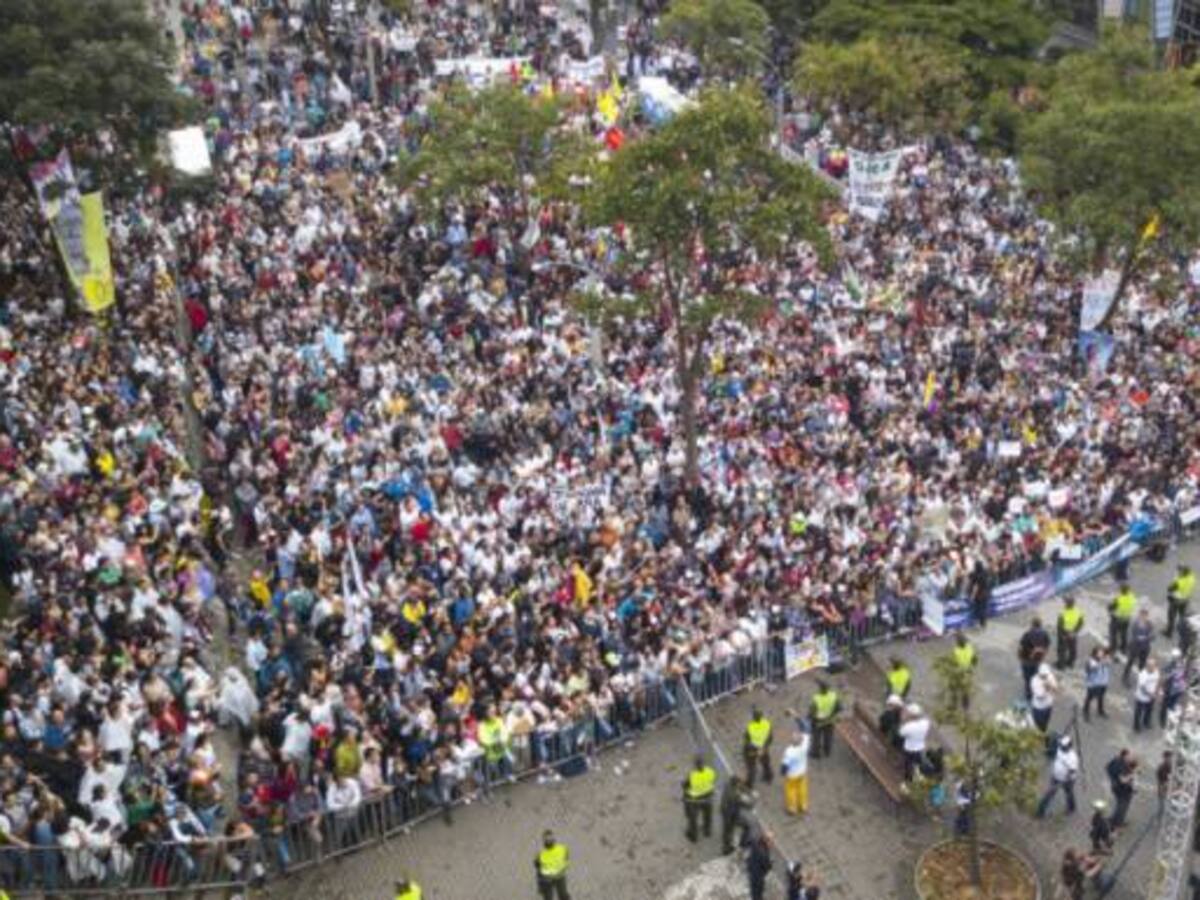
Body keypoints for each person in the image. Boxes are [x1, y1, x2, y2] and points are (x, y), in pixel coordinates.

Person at [1035, 736, 1079, 818]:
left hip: (1066, 780)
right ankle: (1041, 812)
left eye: (1064, 747)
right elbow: (1055, 738)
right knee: (1053, 794)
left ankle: (1071, 807)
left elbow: (1072, 771)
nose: (1062, 747)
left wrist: (1064, 780)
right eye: (1062, 746)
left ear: (1069, 747)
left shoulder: (1072, 757)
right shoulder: (1059, 748)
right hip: (1056, 777)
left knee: (1067, 793)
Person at [682, 755, 716, 843]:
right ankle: (707, 832)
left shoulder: (692, 775)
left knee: (693, 818)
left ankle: (693, 836)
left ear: (696, 765)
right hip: (708, 797)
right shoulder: (710, 771)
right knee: (707, 816)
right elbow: (712, 781)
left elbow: (685, 785)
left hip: (695, 800)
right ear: (703, 763)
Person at [1018, 618, 1051, 701]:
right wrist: (1042, 655)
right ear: (1040, 624)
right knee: (1036, 677)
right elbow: (1047, 646)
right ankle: (1036, 693)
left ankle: (1029, 695)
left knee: (1027, 678)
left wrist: (1019, 657)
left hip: (1026, 660)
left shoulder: (1027, 634)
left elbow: (1021, 647)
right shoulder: (1045, 634)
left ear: (1032, 624)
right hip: (1037, 660)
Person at [781, 729, 811, 816]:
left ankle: (792, 808)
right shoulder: (805, 746)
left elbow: (784, 766)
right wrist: (796, 716)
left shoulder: (789, 751)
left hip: (792, 775)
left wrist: (783, 773)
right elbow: (806, 729)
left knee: (791, 790)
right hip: (802, 772)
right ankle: (803, 805)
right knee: (802, 789)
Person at [807, 680, 840, 759]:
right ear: (828, 689)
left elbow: (811, 712)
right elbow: (839, 707)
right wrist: (833, 714)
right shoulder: (833, 696)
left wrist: (809, 717)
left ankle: (815, 753)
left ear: (820, 689)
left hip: (818, 722)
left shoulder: (816, 699)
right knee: (828, 736)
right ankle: (827, 751)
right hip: (830, 720)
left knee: (816, 738)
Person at [720, 775, 752, 855]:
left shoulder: (727, 785)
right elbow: (747, 805)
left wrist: (747, 791)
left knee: (727, 830)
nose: (740, 784)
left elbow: (742, 788)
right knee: (747, 826)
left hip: (725, 811)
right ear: (736, 784)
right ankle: (740, 845)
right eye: (739, 783)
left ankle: (726, 847)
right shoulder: (735, 795)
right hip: (732, 815)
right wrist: (753, 799)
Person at [1106, 750, 1137, 830]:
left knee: (1120, 805)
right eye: (1129, 756)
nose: (1130, 757)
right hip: (1122, 790)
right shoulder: (1120, 765)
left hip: (1117, 788)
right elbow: (1123, 780)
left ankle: (1115, 819)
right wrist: (1132, 775)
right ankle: (1117, 823)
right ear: (1125, 756)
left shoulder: (1116, 760)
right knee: (1122, 807)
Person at [1122, 609, 1155, 687]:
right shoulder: (1135, 624)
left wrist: (1146, 637)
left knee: (1142, 663)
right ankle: (1125, 677)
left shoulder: (1149, 624)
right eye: (1142, 616)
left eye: (1145, 616)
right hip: (1135, 647)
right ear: (1139, 616)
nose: (1144, 618)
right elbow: (1134, 636)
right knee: (1130, 662)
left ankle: (1142, 678)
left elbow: (1153, 636)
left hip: (1145, 648)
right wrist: (1147, 637)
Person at [535, 830, 570, 900]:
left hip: (553, 878)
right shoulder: (562, 849)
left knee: (557, 896)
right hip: (553, 878)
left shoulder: (541, 855)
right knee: (556, 896)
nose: (548, 841)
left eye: (549, 839)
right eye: (548, 839)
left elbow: (537, 867)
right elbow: (566, 857)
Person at [899, 703, 930, 781]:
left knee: (908, 765)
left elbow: (901, 733)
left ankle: (908, 779)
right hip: (920, 747)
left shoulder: (909, 726)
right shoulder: (925, 723)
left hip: (909, 748)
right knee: (918, 764)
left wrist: (904, 720)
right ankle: (919, 777)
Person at [743, 708, 773, 788]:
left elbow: (746, 739)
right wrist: (765, 747)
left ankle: (749, 784)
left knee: (751, 766)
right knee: (766, 763)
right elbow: (770, 737)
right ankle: (768, 777)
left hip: (753, 748)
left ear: (753, 718)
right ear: (761, 717)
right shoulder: (766, 724)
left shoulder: (750, 726)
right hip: (763, 747)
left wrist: (746, 750)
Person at [1166, 564, 1196, 638]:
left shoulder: (1179, 582)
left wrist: (1176, 578)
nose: (1178, 572)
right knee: (1182, 615)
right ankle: (1181, 628)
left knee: (1171, 616)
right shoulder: (1191, 577)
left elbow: (1169, 588)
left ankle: (1169, 632)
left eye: (1180, 571)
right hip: (1185, 599)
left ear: (1183, 573)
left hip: (1176, 600)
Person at [1083, 646, 1111, 722]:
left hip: (1103, 683)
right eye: (1099, 652)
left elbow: (1108, 663)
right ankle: (1085, 712)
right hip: (1093, 684)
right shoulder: (1091, 661)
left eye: (1102, 652)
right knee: (1089, 698)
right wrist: (1102, 662)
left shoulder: (1104, 659)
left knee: (1101, 697)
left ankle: (1100, 710)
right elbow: (1093, 668)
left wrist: (1106, 658)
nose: (1101, 654)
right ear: (1095, 653)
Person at [1133, 657, 1160, 733]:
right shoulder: (1143, 675)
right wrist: (1150, 694)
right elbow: (1142, 688)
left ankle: (1146, 722)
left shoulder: (1156, 671)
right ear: (1147, 666)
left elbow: (1158, 679)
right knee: (1139, 712)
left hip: (1151, 696)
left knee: (1149, 710)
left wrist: (1156, 691)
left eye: (1154, 665)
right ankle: (1136, 727)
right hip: (1141, 697)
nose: (1154, 667)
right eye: (1152, 666)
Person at [1109, 583, 1137, 656]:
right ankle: (1123, 648)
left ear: (1121, 591)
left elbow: (1110, 608)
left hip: (1117, 619)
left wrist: (1113, 598)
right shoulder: (1132, 597)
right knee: (1124, 634)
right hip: (1127, 618)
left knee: (1114, 634)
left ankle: (1113, 648)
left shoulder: (1118, 599)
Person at [1056, 597, 1083, 670]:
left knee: (1062, 650)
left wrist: (1062, 636)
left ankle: (1061, 665)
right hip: (1073, 634)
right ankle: (1071, 663)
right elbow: (1080, 623)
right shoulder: (1078, 611)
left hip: (1065, 634)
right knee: (1073, 649)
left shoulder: (1063, 613)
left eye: (1066, 602)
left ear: (1067, 604)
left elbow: (1059, 626)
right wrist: (1075, 632)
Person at [1161, 650, 1187, 728]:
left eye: (1178, 657)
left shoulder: (1181, 664)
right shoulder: (1170, 665)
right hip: (1170, 689)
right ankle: (1162, 719)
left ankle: (1169, 719)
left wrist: (1183, 684)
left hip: (1178, 688)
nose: (1177, 659)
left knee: (1172, 705)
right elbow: (1163, 672)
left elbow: (1183, 675)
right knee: (1165, 705)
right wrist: (1170, 675)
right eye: (1176, 657)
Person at [745, 830, 773, 900]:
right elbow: (767, 867)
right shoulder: (764, 854)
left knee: (754, 891)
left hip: (751, 869)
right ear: (767, 841)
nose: (772, 843)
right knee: (757, 893)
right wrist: (770, 863)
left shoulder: (756, 842)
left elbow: (749, 841)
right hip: (758, 876)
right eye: (771, 841)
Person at [1030, 663, 1058, 733]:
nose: (1045, 676)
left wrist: (1051, 686)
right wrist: (1046, 688)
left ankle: (1043, 733)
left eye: (1046, 675)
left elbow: (1055, 687)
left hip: (1048, 705)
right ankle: (1040, 735)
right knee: (1039, 725)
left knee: (1045, 723)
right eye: (1043, 675)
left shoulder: (1050, 676)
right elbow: (1039, 696)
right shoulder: (1034, 680)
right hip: (1039, 708)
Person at [1157, 750, 1173, 816]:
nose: (1171, 759)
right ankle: (1161, 815)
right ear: (1166, 757)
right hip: (1163, 785)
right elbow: (1160, 775)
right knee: (1162, 801)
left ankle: (1162, 813)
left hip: (1165, 785)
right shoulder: (1163, 765)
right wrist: (1166, 781)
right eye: (1170, 757)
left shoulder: (1169, 765)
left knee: (1165, 800)